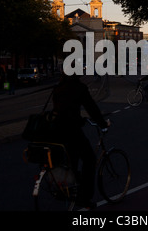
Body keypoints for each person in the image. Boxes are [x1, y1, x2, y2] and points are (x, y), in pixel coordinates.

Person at [52, 73, 109, 209]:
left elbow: (62, 109)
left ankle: (66, 190)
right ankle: (85, 198)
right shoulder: (79, 87)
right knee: (89, 160)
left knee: (72, 160)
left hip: (56, 131)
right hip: (72, 131)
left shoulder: (58, 87)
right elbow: (92, 108)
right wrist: (102, 123)